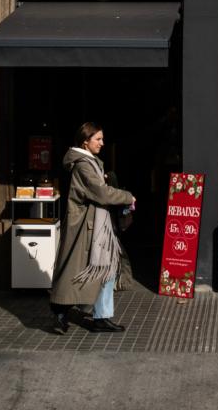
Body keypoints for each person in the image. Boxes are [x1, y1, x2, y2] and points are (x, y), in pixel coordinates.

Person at [50, 122, 135, 334]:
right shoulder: (83, 165)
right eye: (98, 139)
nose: (102, 143)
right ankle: (60, 309)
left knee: (104, 269)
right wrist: (127, 196)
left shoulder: (91, 162)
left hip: (97, 225)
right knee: (76, 271)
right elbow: (101, 193)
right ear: (85, 141)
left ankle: (101, 317)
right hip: (86, 228)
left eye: (102, 139)